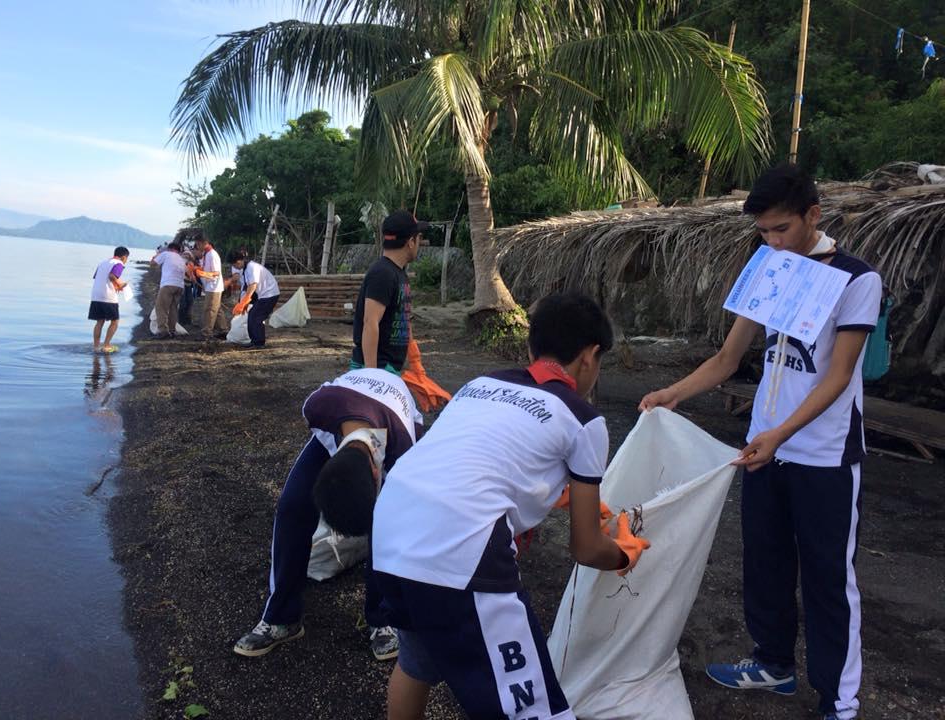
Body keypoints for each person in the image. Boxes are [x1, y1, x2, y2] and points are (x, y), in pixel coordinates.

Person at [639, 164, 881, 720]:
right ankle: (773, 665)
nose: (772, 242)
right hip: (763, 451)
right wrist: (674, 392)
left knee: (827, 576)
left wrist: (781, 433)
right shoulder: (768, 268)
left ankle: (839, 700)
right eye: (764, 233)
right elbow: (728, 358)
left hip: (824, 456)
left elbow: (839, 375)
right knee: (765, 563)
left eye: (781, 229)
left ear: (813, 216)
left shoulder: (855, 278)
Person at [371, 293, 650, 720]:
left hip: (393, 527)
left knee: (417, 663)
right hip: (460, 545)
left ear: (531, 347)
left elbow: (481, 463)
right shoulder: (584, 419)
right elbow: (586, 548)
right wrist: (624, 553)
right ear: (591, 356)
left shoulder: (480, 385)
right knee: (528, 706)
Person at [232, 368, 423, 661]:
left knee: (387, 524)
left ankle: (383, 619)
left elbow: (406, 524)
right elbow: (324, 448)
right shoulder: (316, 406)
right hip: (341, 422)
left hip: (392, 413)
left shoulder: (403, 447)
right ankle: (282, 617)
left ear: (376, 472)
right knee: (292, 505)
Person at [351, 210, 425, 374]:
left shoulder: (399, 273)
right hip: (376, 367)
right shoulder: (383, 274)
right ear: (410, 242)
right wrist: (371, 375)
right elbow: (370, 322)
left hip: (389, 368)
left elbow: (404, 319)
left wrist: (415, 360)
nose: (420, 242)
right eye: (418, 237)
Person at [227, 251, 281, 348]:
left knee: (256, 316)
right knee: (252, 315)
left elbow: (252, 286)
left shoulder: (251, 267)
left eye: (234, 265)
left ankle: (259, 343)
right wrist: (244, 303)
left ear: (239, 262)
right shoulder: (246, 269)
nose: (234, 268)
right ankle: (255, 341)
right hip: (264, 294)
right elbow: (247, 287)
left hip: (269, 294)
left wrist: (244, 302)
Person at [88, 246, 130, 353]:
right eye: (126, 258)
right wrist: (120, 285)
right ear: (124, 257)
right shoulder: (119, 263)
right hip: (108, 296)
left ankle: (96, 347)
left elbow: (99, 278)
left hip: (96, 295)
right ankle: (106, 345)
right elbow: (112, 276)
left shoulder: (103, 262)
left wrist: (115, 285)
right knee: (115, 321)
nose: (126, 261)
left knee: (99, 322)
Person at [191, 233, 229, 340]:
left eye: (198, 244)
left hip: (214, 287)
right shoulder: (207, 254)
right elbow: (207, 270)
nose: (197, 246)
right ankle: (223, 330)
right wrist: (198, 270)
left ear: (204, 243)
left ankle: (206, 333)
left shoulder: (212, 254)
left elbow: (216, 273)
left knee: (210, 310)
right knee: (217, 309)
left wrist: (203, 274)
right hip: (211, 286)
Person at [151, 241, 188, 338]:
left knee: (161, 307)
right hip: (180, 286)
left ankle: (163, 331)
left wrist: (157, 255)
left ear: (170, 249)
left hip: (168, 284)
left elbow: (152, 264)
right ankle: (172, 330)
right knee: (173, 309)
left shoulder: (166, 254)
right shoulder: (181, 259)